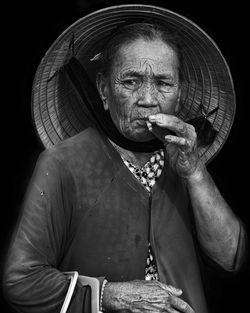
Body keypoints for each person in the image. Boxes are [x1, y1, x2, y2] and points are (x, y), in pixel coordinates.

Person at [2, 4, 247, 313]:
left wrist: (195, 171)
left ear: (180, 92)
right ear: (104, 90)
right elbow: (22, 282)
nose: (147, 99)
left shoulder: (184, 157)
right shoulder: (64, 163)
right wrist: (110, 295)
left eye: (163, 83)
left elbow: (230, 258)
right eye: (130, 82)